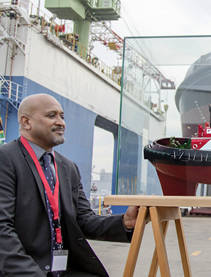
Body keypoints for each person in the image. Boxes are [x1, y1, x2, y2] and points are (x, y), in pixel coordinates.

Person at [0, 94, 139, 276]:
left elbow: (83, 220)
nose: (61, 123)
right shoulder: (6, 159)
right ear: (26, 122)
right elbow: (2, 229)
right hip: (24, 270)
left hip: (63, 269)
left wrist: (125, 223)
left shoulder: (68, 168)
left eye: (62, 116)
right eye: (51, 116)